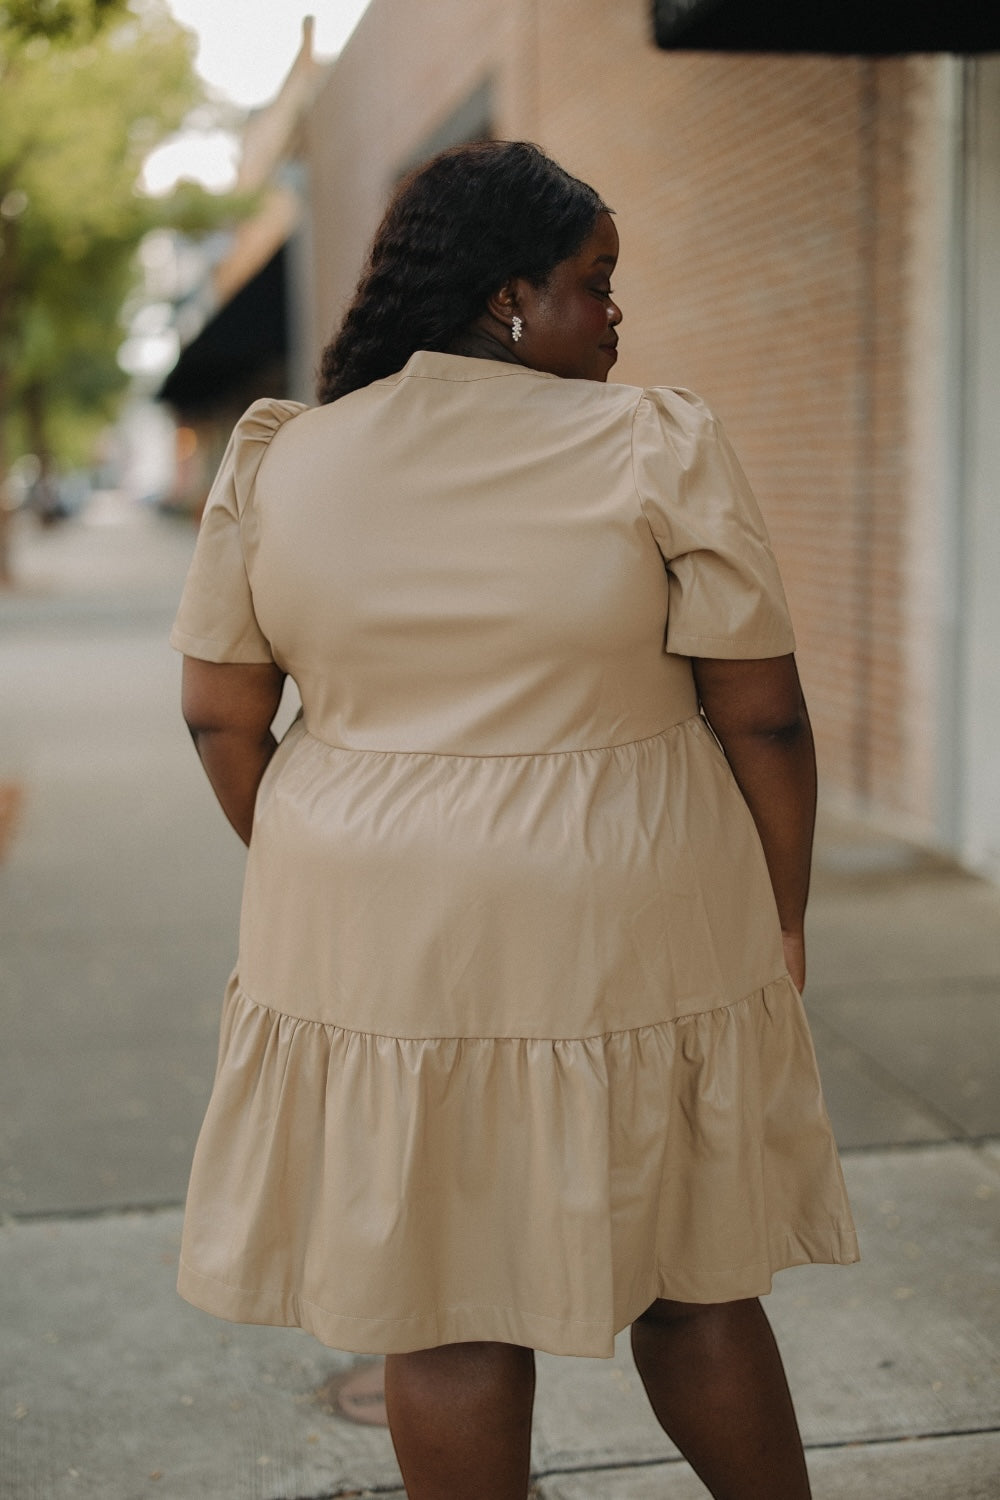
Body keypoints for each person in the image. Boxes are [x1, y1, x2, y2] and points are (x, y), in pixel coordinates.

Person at [171, 140, 858, 1500]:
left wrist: (325, 855)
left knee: (440, 1306)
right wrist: (783, 907)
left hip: (375, 933)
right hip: (631, 915)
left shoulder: (282, 458)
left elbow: (219, 716)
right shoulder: (655, 442)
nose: (615, 313)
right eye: (595, 281)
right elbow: (765, 717)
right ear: (508, 298)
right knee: (694, 1281)